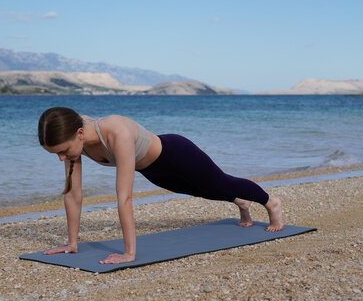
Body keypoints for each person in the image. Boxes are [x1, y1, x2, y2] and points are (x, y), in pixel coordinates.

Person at [38, 107, 284, 264]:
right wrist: (72, 244)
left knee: (220, 182)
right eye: (55, 154)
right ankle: (240, 201)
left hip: (177, 154)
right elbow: (73, 194)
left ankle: (270, 202)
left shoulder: (116, 132)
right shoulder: (71, 138)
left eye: (62, 151)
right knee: (202, 191)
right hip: (152, 170)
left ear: (80, 134)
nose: (61, 158)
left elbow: (124, 198)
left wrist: (129, 253)